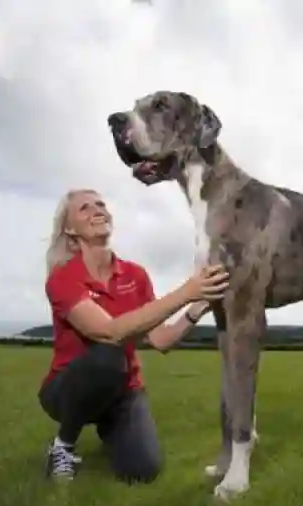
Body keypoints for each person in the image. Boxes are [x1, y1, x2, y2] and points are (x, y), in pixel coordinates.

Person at [39, 188, 230, 483]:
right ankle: (63, 445)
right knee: (109, 355)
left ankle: (110, 425)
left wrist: (198, 306)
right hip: (66, 389)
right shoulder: (63, 279)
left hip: (123, 390)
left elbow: (161, 340)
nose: (97, 210)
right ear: (69, 229)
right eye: (85, 208)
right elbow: (108, 332)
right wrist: (187, 290)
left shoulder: (135, 275)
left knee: (143, 470)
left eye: (101, 204)